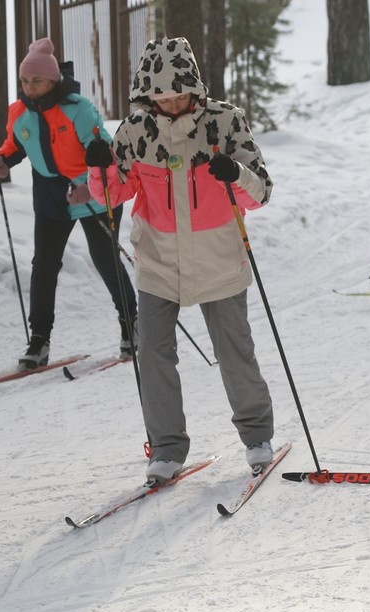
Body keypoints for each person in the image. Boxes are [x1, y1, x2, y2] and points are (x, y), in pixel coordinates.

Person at [85, 37, 275, 481]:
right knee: (152, 352)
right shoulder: (134, 131)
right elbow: (111, 197)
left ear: (194, 88)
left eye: (178, 94)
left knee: (235, 351)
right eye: (160, 96)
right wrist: (100, 168)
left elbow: (261, 190)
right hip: (157, 263)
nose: (170, 104)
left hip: (219, 259)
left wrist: (235, 172)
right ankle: (166, 448)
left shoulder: (225, 122)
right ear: (147, 94)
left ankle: (257, 436)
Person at [0, 38, 137, 370]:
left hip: (95, 189)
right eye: (24, 81)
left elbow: (104, 152)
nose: (29, 87)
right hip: (50, 193)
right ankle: (39, 340)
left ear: (52, 79)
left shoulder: (78, 109)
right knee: (44, 265)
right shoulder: (20, 112)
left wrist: (87, 186)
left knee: (105, 258)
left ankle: (131, 326)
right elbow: (15, 145)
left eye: (35, 80)